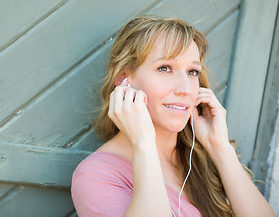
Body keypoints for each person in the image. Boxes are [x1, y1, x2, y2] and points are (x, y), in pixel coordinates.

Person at [71, 15, 275, 217]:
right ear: (125, 79)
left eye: (192, 72)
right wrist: (143, 142)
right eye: (165, 68)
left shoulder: (202, 158)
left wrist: (219, 147)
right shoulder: (96, 175)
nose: (185, 89)